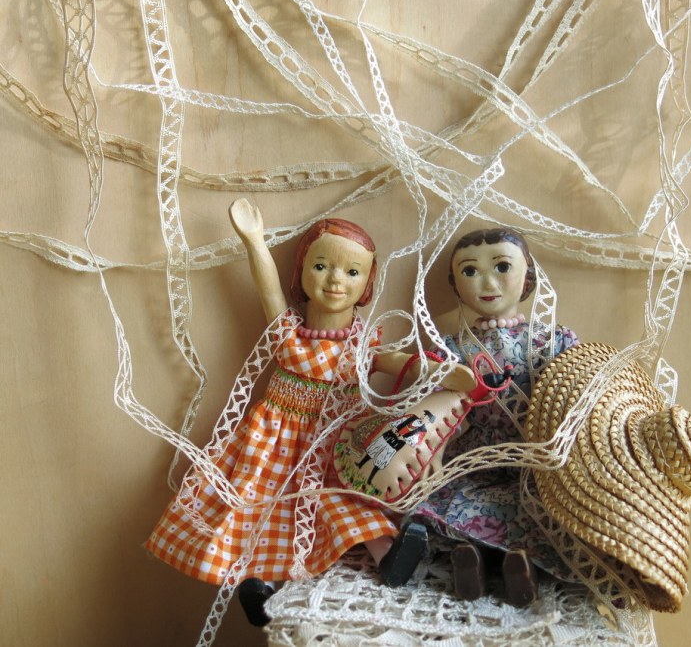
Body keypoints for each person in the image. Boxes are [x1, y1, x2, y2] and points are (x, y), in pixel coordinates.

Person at [145, 199, 473, 626]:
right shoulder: (288, 335)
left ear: (367, 283)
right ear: (301, 271)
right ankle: (257, 584)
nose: (336, 280)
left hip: (336, 443)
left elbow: (398, 362)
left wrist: (439, 371)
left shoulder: (361, 345)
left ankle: (391, 555)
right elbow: (268, 292)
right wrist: (254, 242)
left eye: (352, 272)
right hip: (274, 440)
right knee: (261, 508)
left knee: (345, 502)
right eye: (321, 266)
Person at [389, 227, 580, 607]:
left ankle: (515, 566)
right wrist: (433, 450)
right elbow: (435, 407)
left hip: (533, 463)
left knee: (538, 509)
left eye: (502, 267)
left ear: (528, 275)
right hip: (471, 461)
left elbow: (576, 397)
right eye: (470, 271)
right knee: (447, 502)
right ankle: (472, 560)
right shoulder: (451, 349)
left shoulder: (553, 342)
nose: (487, 282)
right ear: (455, 283)